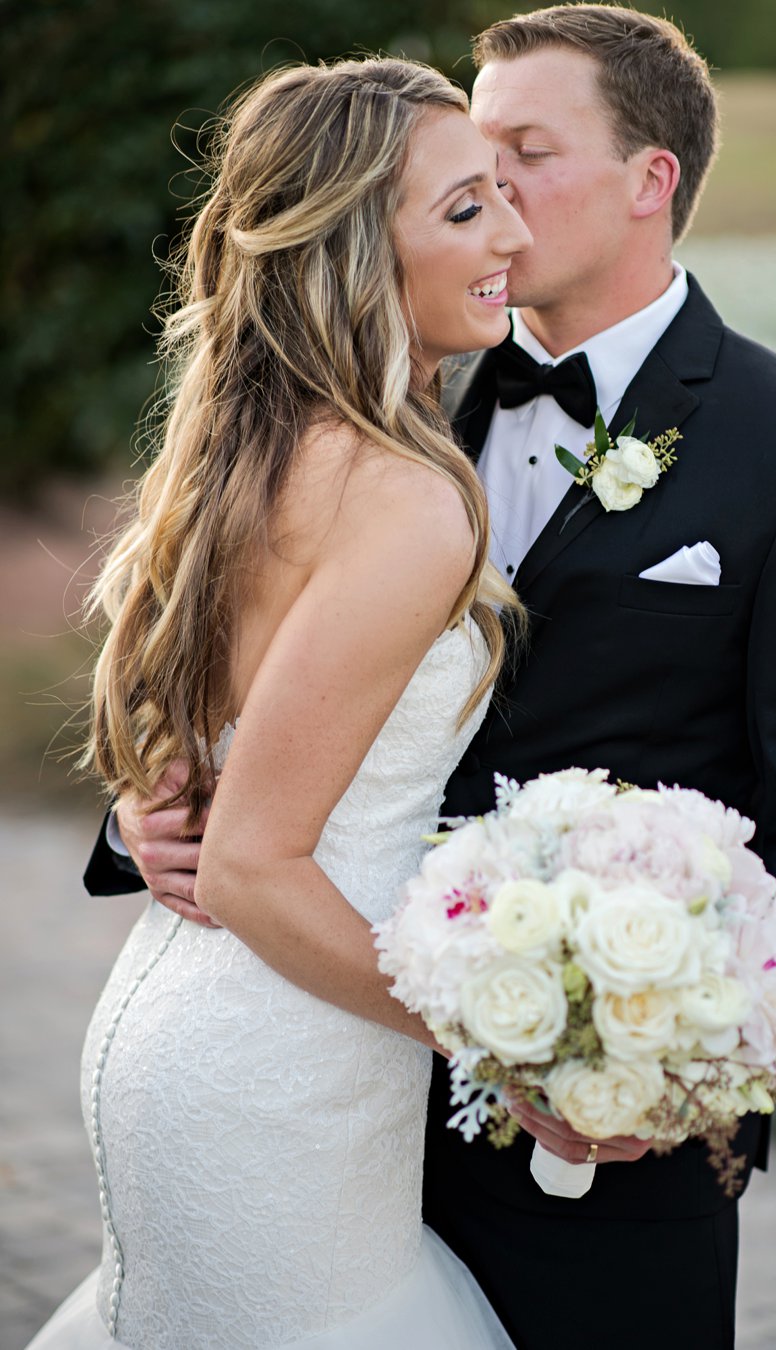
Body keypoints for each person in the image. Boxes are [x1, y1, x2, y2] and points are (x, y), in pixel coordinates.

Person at [84, 7, 776, 1349]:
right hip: (326, 1091)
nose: (496, 192)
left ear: (655, 181)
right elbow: (241, 681)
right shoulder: (395, 384)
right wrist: (146, 823)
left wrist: (678, 1066)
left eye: (527, 148)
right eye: (478, 160)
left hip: (592, 1157)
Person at [30, 56, 533, 1350]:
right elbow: (254, 860)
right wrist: (508, 1049)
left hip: (207, 1030)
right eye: (467, 207)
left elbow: (226, 782)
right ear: (362, 245)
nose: (513, 235)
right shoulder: (406, 496)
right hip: (277, 1074)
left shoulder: (251, 449)